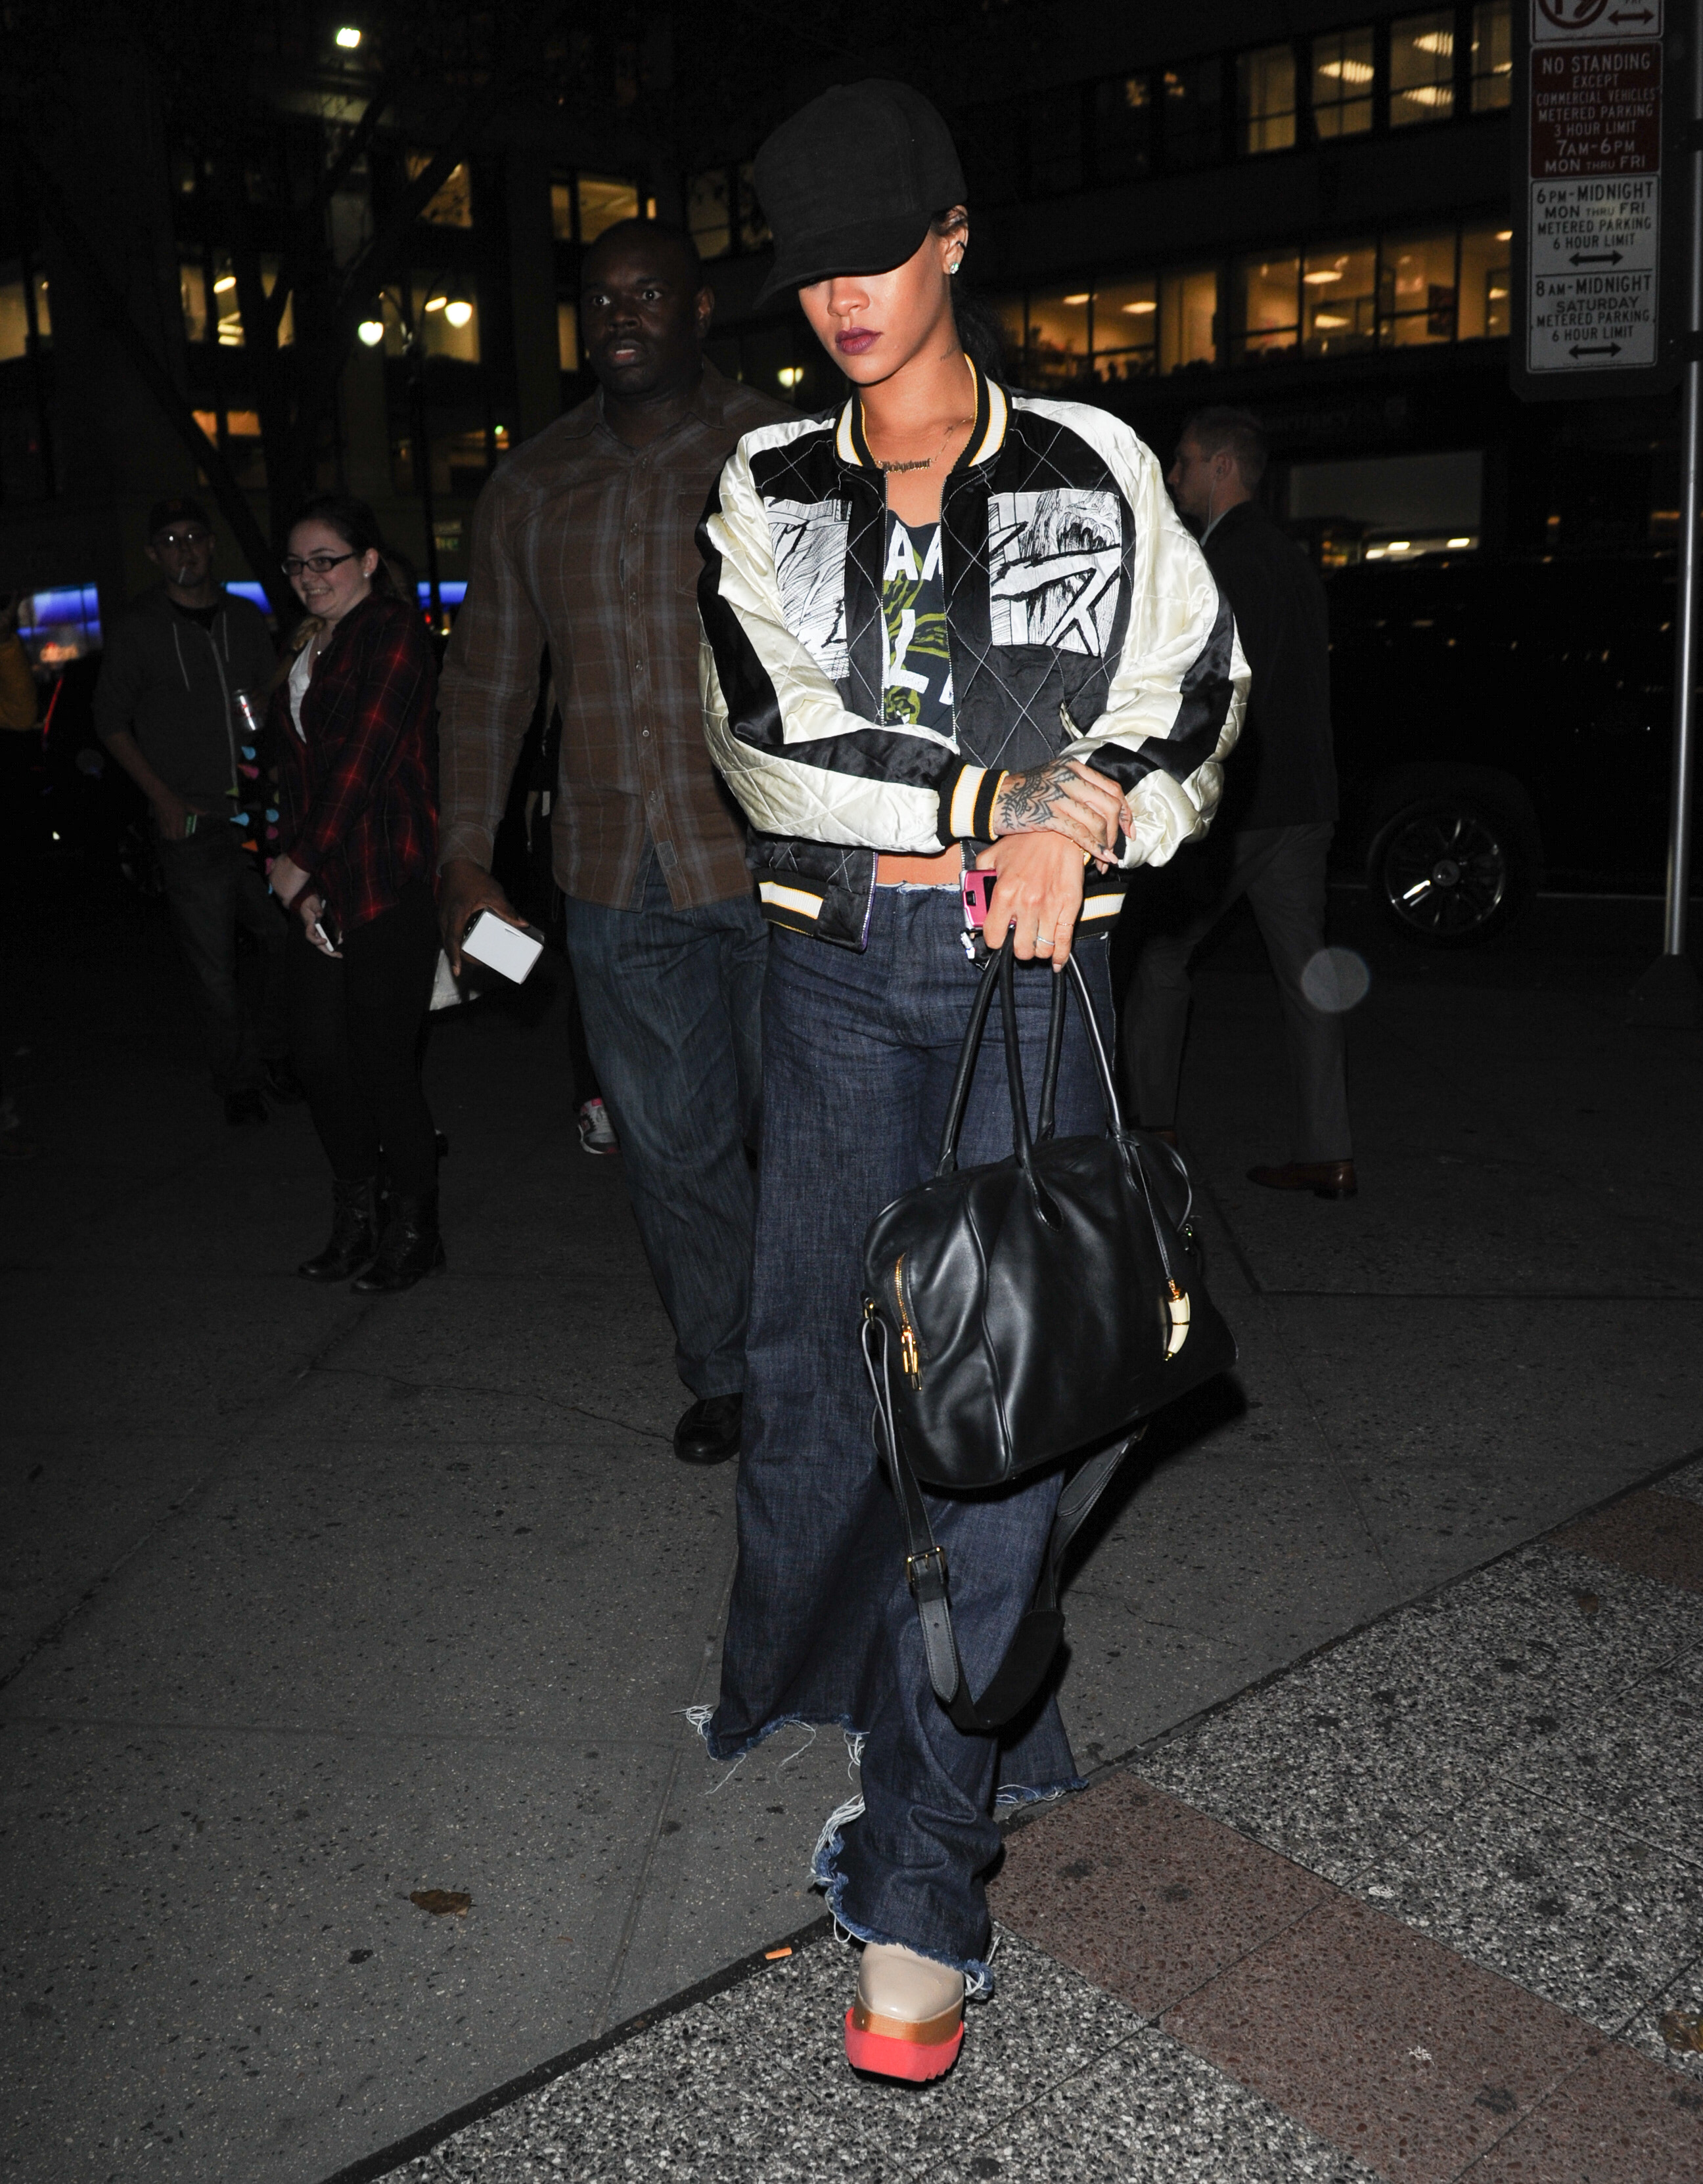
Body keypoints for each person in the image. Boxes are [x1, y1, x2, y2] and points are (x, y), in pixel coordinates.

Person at [694, 80, 1245, 2081]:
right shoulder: (766, 481)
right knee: (830, 1371)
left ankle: (924, 1867)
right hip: (839, 966)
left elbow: (1197, 687)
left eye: (874, 252)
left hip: (1037, 972)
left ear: (951, 238)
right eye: (808, 268)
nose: (840, 296)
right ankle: (864, 1675)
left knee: (1011, 1392)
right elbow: (762, 729)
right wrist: (990, 797)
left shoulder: (1094, 459)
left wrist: (1094, 808)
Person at [435, 218, 792, 1466]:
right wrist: (464, 856)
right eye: (600, 297)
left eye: (648, 293)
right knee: (669, 1145)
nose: (621, 314)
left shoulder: (782, 451)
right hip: (611, 869)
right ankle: (730, 1372)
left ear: (700, 309)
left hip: (774, 857)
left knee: (812, 1134)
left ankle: (839, 1360)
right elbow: (488, 681)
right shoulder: (531, 482)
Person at [1125, 409, 1356, 1199]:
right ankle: (1328, 1150)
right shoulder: (1292, 558)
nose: (1175, 477)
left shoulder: (1223, 561)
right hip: (1307, 799)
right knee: (1309, 977)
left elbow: (1214, 689)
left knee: (1160, 956)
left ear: (1223, 466)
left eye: (1184, 462)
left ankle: (1152, 1134)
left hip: (1251, 804)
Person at [267, 495, 442, 1291]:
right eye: (297, 565)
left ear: (367, 561)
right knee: (317, 1056)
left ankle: (416, 1227)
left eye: (325, 560)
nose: (309, 577)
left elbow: (364, 758)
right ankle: (358, 1215)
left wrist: (299, 862)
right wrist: (300, 884)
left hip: (384, 877)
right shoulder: (308, 645)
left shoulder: (394, 631)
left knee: (382, 1062)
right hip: (321, 886)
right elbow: (295, 777)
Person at [93, 498, 298, 1125]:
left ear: (211, 545)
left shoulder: (243, 617)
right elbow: (109, 720)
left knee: (288, 938)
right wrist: (161, 795)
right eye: (170, 540)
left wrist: (273, 766)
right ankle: (238, 1080)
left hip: (256, 817)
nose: (184, 549)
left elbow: (268, 704)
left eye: (194, 537)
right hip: (190, 821)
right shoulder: (137, 628)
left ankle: (275, 1053)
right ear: (154, 554)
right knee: (213, 967)